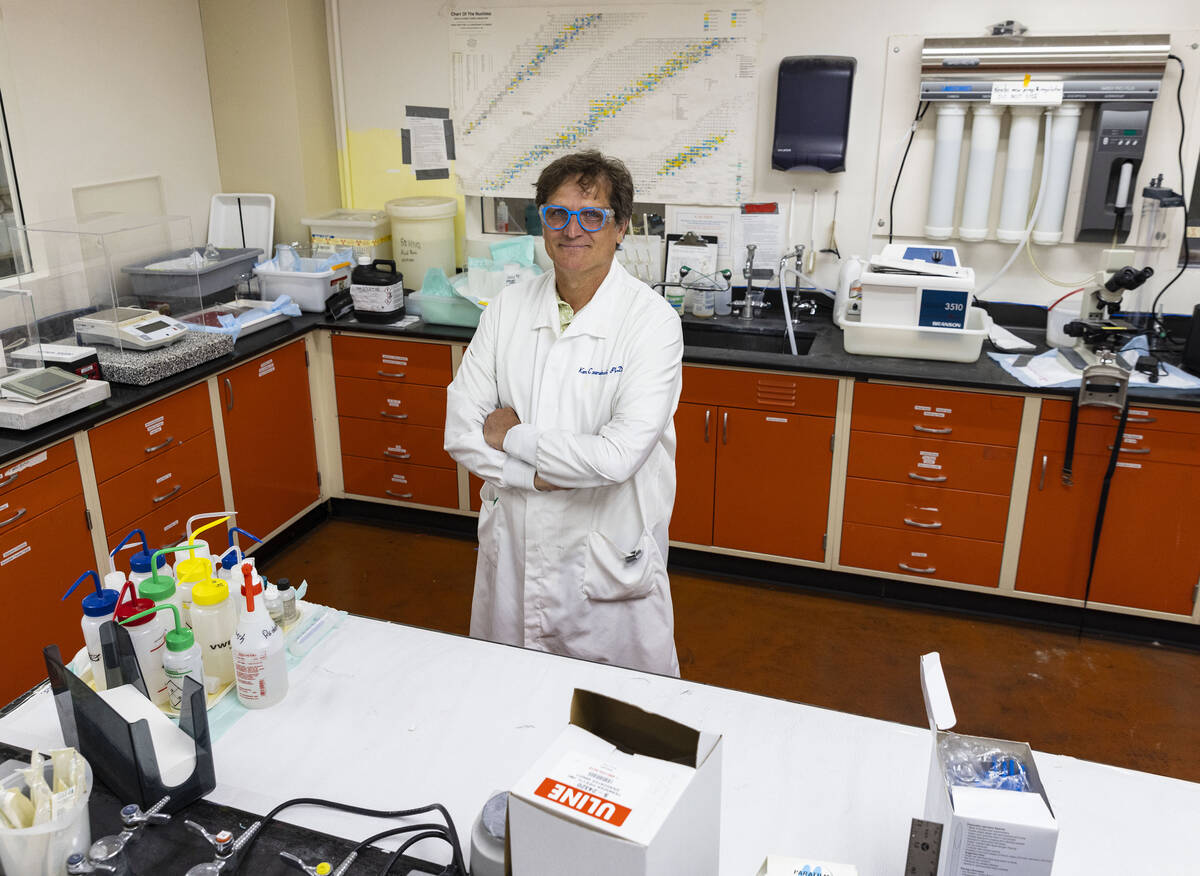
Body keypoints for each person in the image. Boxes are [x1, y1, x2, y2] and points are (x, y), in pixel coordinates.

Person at [444, 150, 683, 676]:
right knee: (510, 707)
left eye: (591, 215)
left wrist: (512, 437)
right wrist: (532, 476)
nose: (572, 229)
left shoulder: (652, 323)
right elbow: (461, 430)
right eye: (557, 214)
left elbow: (615, 459)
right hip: (516, 552)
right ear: (542, 223)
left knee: (618, 722)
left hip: (602, 565)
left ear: (620, 228)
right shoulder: (508, 308)